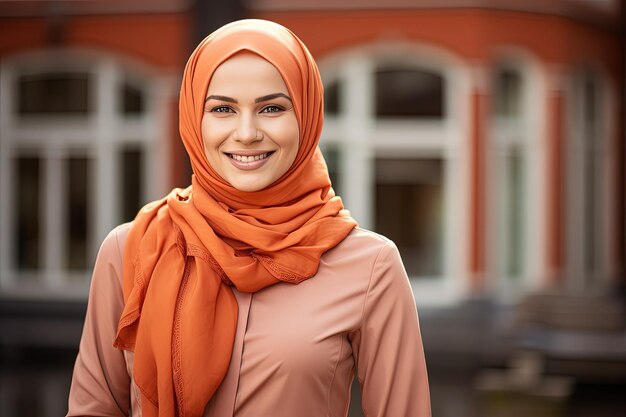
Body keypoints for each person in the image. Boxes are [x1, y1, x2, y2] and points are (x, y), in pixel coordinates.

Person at [66, 19, 430, 417]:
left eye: (271, 108)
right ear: (193, 119)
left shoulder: (371, 266)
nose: (246, 133)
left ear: (306, 117)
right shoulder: (132, 249)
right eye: (222, 109)